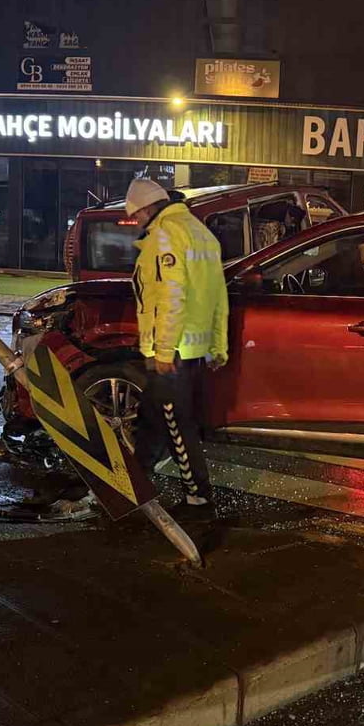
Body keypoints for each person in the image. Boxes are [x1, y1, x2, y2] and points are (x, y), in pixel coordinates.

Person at [125, 179, 229, 510]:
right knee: (152, 419)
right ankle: (134, 483)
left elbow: (170, 298)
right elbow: (218, 296)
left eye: (136, 216)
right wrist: (218, 345)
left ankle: (198, 499)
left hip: (173, 352)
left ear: (145, 208)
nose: (136, 223)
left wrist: (164, 352)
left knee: (176, 425)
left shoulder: (165, 236)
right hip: (193, 350)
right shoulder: (202, 234)